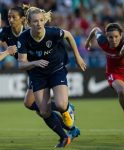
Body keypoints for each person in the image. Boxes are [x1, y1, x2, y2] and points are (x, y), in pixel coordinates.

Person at [0, 6, 80, 147]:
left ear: (23, 20)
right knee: (35, 106)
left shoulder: (34, 31)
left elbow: (65, 35)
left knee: (35, 104)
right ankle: (68, 128)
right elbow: (20, 62)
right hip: (34, 70)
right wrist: (7, 52)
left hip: (47, 68)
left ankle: (67, 118)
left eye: (14, 17)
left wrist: (77, 57)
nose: (10, 20)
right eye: (8, 17)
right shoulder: (6, 33)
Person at [85, 23, 124, 138]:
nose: (113, 40)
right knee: (121, 91)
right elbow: (95, 29)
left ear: (121, 36)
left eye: (116, 37)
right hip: (114, 73)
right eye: (110, 37)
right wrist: (88, 41)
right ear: (106, 37)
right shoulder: (102, 41)